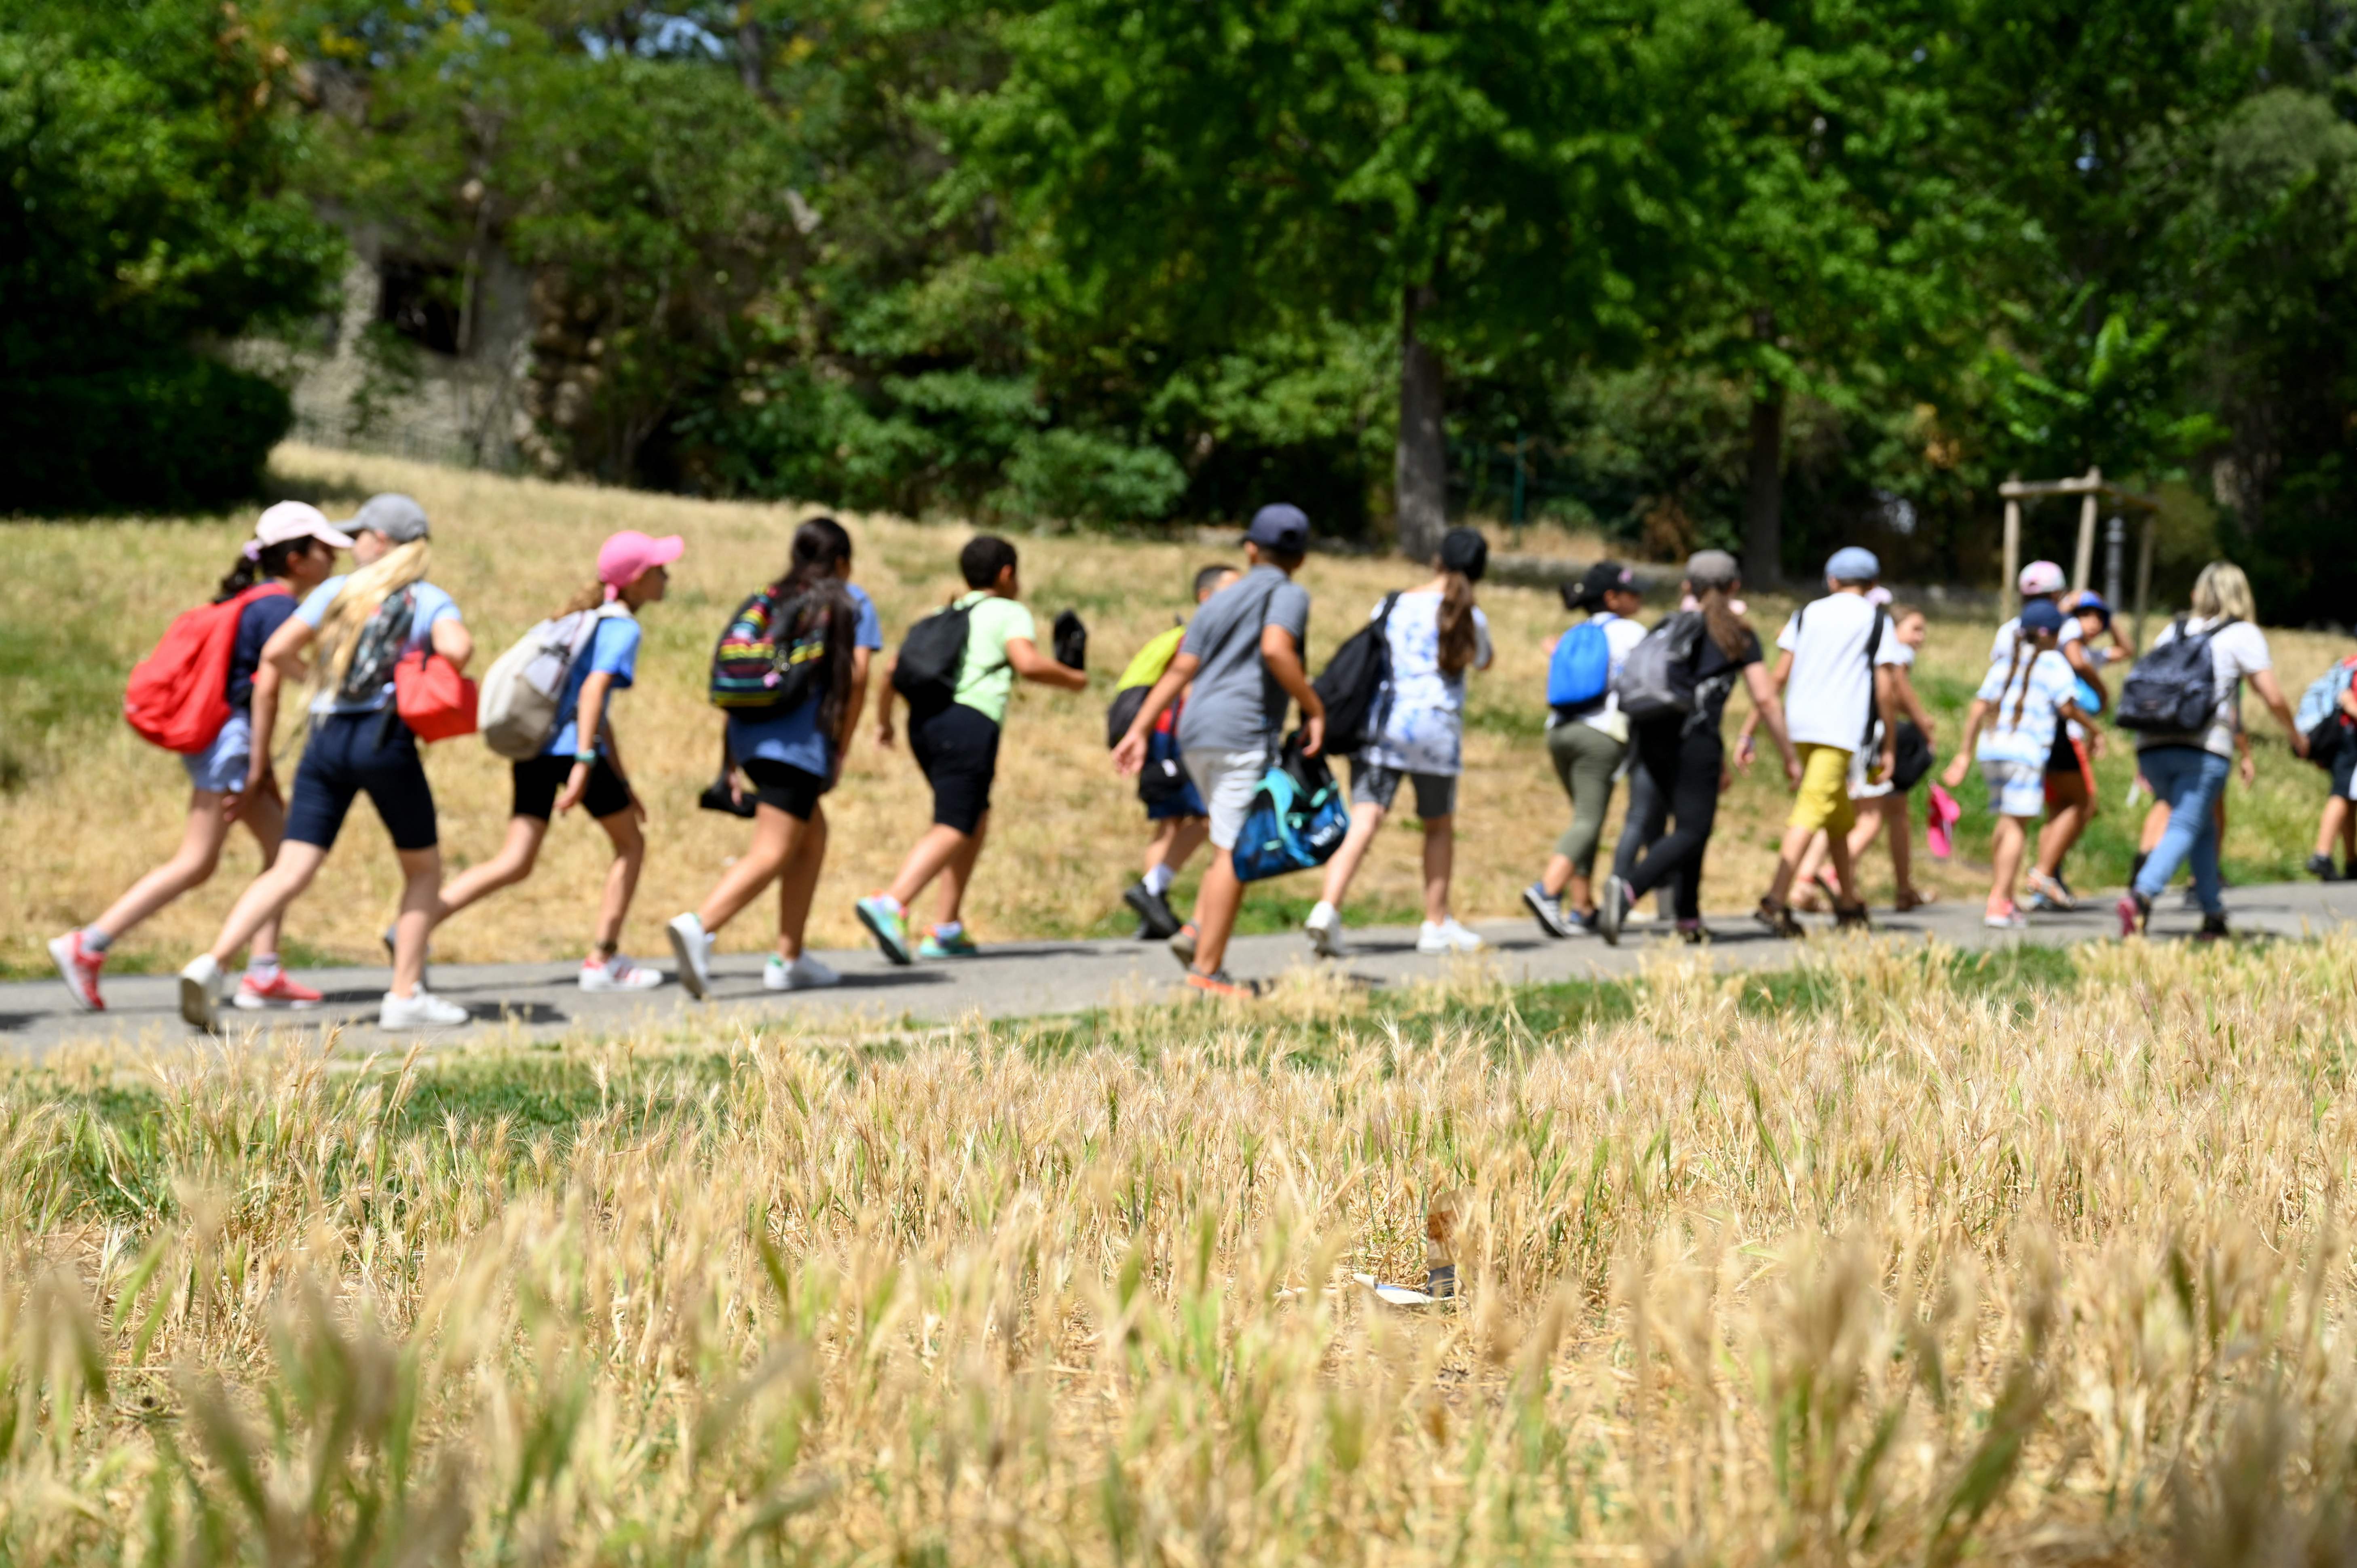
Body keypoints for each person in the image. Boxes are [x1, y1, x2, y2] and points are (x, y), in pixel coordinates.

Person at [177, 494, 475, 1031]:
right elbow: (459, 648)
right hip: (383, 738)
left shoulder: (337, 592)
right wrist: (417, 662)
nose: (353, 543)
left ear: (381, 541)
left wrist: (317, 678)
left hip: (326, 735)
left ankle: (213, 962)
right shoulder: (425, 597)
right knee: (423, 867)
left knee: (291, 865)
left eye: (360, 533)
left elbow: (276, 653)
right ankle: (404, 993)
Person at [49, 503, 348, 1012]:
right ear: (296, 559)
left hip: (228, 744)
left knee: (279, 854)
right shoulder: (279, 609)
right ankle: (89, 945)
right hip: (233, 745)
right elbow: (263, 694)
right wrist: (258, 769)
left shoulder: (257, 602)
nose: (332, 560)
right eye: (324, 550)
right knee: (202, 860)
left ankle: (264, 971)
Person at [426, 530, 680, 991]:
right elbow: (592, 693)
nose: (668, 576)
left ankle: (416, 927)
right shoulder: (622, 626)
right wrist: (585, 764)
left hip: (537, 748)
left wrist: (620, 778)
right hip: (571, 751)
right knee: (631, 846)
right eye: (660, 570)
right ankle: (602, 961)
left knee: (515, 860)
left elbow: (596, 711)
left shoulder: (586, 617)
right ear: (638, 580)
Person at [1112, 503, 1325, 996]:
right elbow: (1276, 648)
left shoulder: (1217, 601)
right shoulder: (1287, 593)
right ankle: (1206, 973)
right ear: (1302, 556)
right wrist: (1312, 706)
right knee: (1235, 850)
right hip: (1241, 731)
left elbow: (1180, 670)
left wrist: (1140, 729)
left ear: (1251, 548)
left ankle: (1195, 935)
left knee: (1224, 838)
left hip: (1195, 730)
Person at [854, 535, 1087, 963]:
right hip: (969, 722)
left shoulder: (944, 614)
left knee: (973, 818)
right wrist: (1075, 680)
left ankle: (946, 927)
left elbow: (890, 671)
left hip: (924, 724)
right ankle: (891, 903)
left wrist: (884, 722)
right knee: (955, 822)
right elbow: (1028, 664)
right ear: (1007, 574)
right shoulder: (1007, 611)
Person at [665, 519, 870, 998]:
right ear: (841, 562)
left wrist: (729, 759)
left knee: (811, 836)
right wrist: (838, 747)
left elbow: (739, 676)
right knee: (773, 850)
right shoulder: (841, 601)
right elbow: (854, 680)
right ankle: (700, 926)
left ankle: (790, 956)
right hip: (795, 746)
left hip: (750, 738)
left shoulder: (770, 597)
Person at [1306, 527, 1493, 957]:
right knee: (1438, 825)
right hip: (1437, 733)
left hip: (1385, 726)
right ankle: (1435, 922)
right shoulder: (1470, 614)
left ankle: (1326, 907)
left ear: (1436, 560)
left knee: (1365, 817)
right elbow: (1483, 661)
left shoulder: (1393, 604)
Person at [1597, 550, 1799, 944]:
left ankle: (1687, 918)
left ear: (1687, 586)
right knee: (1692, 829)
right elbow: (1766, 698)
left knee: (1691, 828)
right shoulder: (1737, 633)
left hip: (1652, 736)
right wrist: (1789, 756)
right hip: (1696, 740)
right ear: (1734, 586)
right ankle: (1628, 889)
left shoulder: (1669, 625)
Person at [2118, 561, 2306, 938]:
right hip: (2203, 746)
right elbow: (2270, 693)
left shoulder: (2173, 629)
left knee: (2202, 827)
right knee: (2186, 823)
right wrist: (2295, 735)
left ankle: (2213, 914)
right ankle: (2141, 896)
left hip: (2152, 744)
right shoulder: (2242, 633)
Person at [1753, 546, 1905, 932]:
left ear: (1832, 581)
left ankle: (1849, 904)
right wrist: (1889, 744)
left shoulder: (1806, 613)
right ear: (1873, 585)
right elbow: (1886, 688)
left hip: (1799, 723)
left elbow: (1778, 677)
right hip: (1840, 728)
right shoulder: (1876, 619)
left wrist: (1750, 728)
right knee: (1812, 806)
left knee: (1839, 819)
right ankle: (1774, 901)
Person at [1939, 599, 2097, 928]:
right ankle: (2000, 902)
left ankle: (2001, 894)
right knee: (2017, 826)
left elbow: (1977, 709)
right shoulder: (2053, 663)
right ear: (2053, 634)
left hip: (1991, 748)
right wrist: (2096, 730)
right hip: (2025, 751)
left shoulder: (2004, 663)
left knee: (2006, 822)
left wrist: (1964, 753)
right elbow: (2068, 709)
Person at [1782, 603, 1938, 912]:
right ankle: (1823, 876)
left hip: (1840, 732)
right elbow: (1893, 689)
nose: (1920, 637)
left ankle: (1810, 879)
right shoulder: (1894, 651)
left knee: (1841, 813)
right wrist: (1923, 722)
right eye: (1915, 629)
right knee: (1869, 818)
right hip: (1870, 737)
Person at [1523, 560, 1648, 938]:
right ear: (1612, 598)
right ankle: (1547, 890)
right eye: (1633, 591)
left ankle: (1582, 908)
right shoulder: (1632, 632)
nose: (1640, 597)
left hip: (1559, 731)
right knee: (1589, 820)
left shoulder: (1576, 631)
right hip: (1602, 735)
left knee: (1583, 816)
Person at [1121, 563, 1239, 939]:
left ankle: (1152, 911)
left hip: (1164, 737)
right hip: (1181, 739)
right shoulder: (1198, 638)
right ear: (1206, 597)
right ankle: (1153, 889)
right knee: (1209, 817)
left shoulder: (1187, 636)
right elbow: (1186, 689)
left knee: (1170, 823)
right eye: (1232, 590)